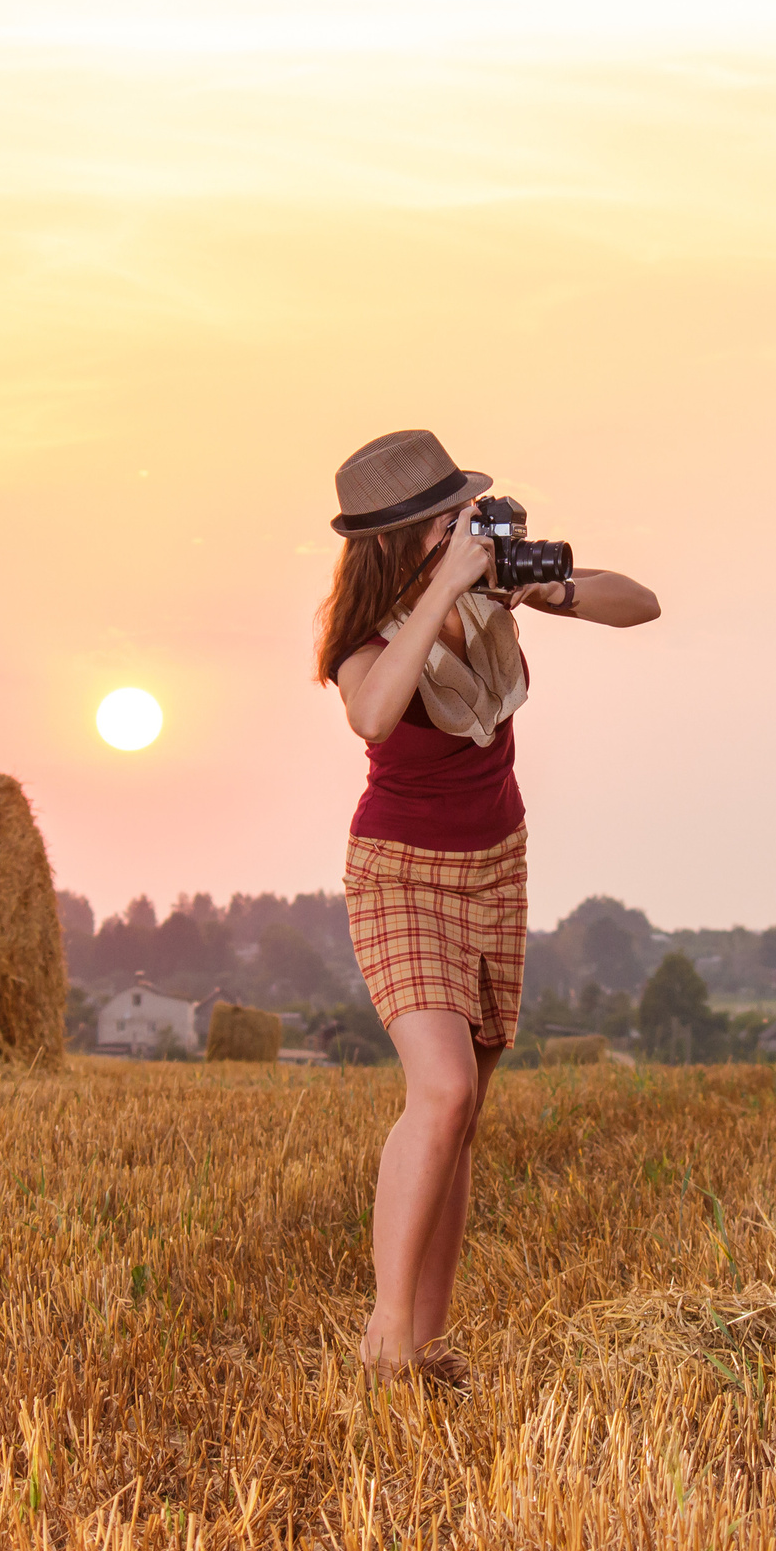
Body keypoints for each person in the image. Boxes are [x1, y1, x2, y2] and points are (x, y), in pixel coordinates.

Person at [316, 429, 660, 1383]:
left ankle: (425, 1344)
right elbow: (375, 713)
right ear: (398, 543)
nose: (467, 530)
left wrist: (549, 589)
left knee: (463, 1117)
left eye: (464, 514)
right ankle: (385, 1332)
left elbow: (644, 605)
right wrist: (440, 589)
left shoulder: (489, 592)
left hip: (494, 865)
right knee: (442, 1089)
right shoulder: (362, 642)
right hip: (399, 871)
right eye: (445, 522)